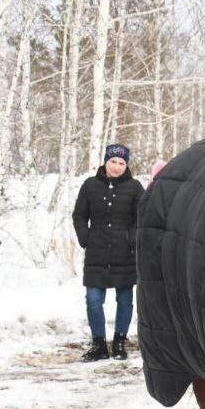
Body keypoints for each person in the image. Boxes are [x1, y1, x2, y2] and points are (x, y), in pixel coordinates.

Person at [72, 143, 144, 361]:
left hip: (124, 254)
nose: (117, 166)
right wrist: (86, 238)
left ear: (126, 165)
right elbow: (79, 215)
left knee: (125, 300)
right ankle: (99, 345)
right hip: (97, 253)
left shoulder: (134, 187)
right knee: (93, 299)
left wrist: (131, 239)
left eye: (122, 163)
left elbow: (141, 218)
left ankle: (120, 342)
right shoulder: (90, 185)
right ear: (106, 161)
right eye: (113, 161)